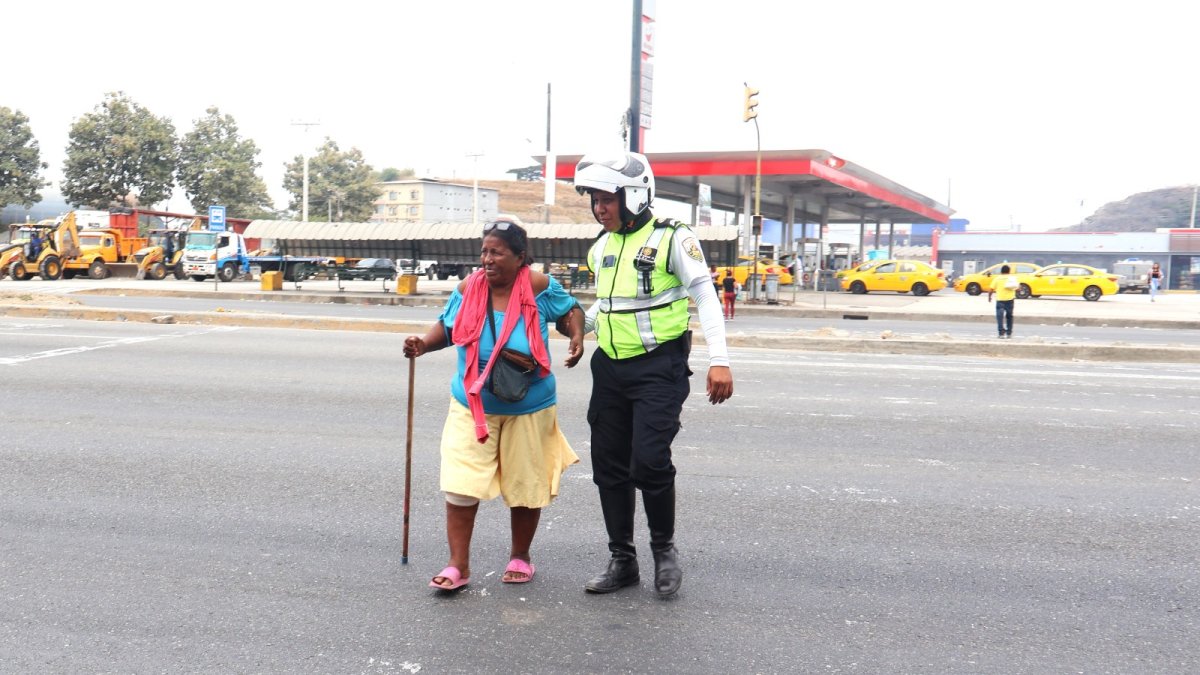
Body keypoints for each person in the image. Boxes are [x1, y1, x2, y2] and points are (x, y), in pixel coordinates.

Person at [573, 152, 734, 598]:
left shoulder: (671, 238)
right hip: (609, 368)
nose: (599, 208)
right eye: (594, 200)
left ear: (636, 195)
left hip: (658, 368)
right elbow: (606, 302)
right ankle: (622, 560)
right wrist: (578, 329)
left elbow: (704, 294)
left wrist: (719, 359)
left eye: (607, 199)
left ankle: (664, 552)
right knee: (608, 466)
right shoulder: (601, 246)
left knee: (648, 460)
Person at [402, 219, 585, 591]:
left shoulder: (537, 286)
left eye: (497, 252)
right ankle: (458, 565)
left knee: (525, 484)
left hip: (530, 406)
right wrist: (422, 344)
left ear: (520, 258)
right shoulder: (469, 287)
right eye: (484, 251)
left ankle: (520, 557)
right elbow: (448, 328)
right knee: (460, 484)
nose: (487, 259)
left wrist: (577, 334)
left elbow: (571, 311)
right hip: (472, 403)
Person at [987, 264, 1017, 338]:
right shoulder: (1012, 278)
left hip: (1000, 300)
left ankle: (1001, 334)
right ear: (1009, 271)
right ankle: (1009, 333)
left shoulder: (997, 279)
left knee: (999, 317)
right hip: (1010, 300)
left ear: (1001, 271)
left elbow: (991, 289)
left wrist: (989, 297)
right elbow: (1017, 288)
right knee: (1009, 317)